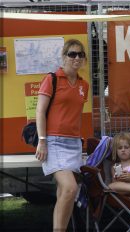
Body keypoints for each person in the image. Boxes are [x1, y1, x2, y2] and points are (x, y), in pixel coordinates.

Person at [35, 39, 89, 231]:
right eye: (72, 54)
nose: (76, 58)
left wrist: (80, 144)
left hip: (73, 144)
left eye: (80, 54)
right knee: (70, 188)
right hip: (54, 142)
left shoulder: (84, 85)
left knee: (64, 194)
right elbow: (40, 111)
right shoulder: (52, 78)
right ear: (64, 56)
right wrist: (42, 141)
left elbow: (76, 117)